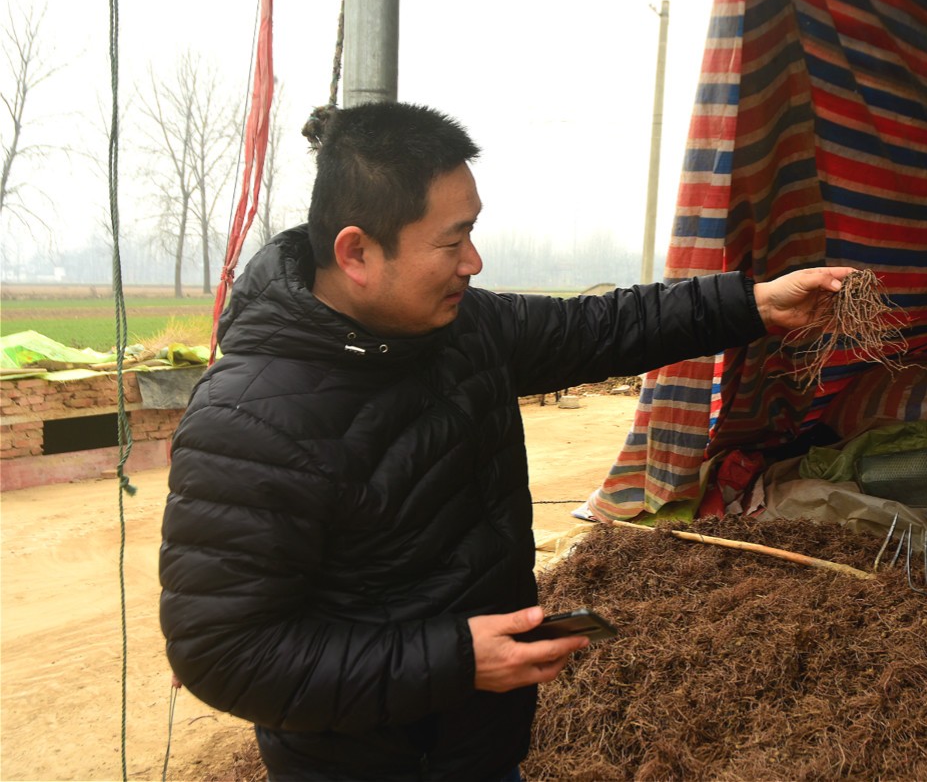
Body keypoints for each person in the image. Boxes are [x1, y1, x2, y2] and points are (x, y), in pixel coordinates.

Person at [159, 101, 853, 781]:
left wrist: (753, 304)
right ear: (356, 252)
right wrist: (456, 660)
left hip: (482, 747)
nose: (475, 261)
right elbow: (224, 653)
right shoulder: (249, 420)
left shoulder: (463, 331)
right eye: (452, 241)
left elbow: (601, 328)